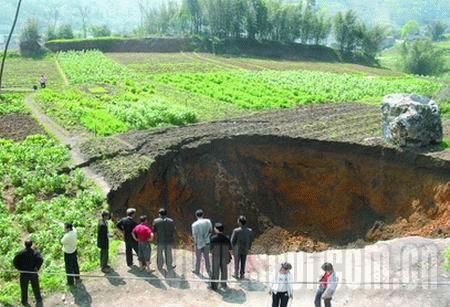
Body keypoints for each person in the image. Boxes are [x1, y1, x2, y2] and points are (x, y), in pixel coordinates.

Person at [13, 240, 43, 306]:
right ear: (31, 244)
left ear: (24, 245)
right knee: (36, 287)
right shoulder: (35, 252)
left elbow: (14, 262)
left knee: (24, 288)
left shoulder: (20, 253)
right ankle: (38, 299)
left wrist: (19, 268)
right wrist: (37, 267)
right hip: (33, 273)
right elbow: (41, 259)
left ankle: (24, 301)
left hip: (24, 273)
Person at [209, 222, 232, 291]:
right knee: (224, 271)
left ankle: (214, 286)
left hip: (216, 257)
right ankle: (223, 284)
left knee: (215, 271)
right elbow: (230, 249)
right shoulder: (227, 238)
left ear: (216, 229)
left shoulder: (213, 238)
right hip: (224, 257)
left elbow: (210, 249)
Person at [191, 209, 212, 275]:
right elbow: (210, 231)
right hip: (207, 242)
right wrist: (207, 237)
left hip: (198, 243)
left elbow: (194, 235)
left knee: (198, 258)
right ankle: (208, 270)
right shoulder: (208, 221)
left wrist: (195, 243)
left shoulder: (194, 224)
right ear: (203, 214)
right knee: (207, 257)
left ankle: (197, 271)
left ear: (196, 216)